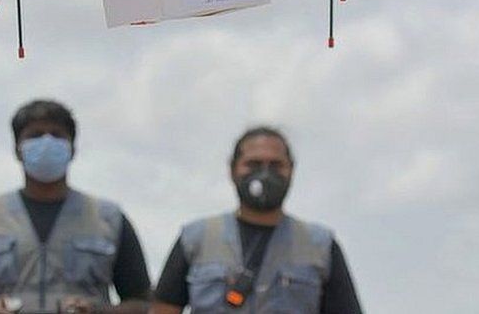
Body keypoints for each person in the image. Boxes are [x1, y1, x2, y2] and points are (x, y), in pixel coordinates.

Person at [0, 99, 152, 314]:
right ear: (18, 150)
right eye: (35, 135)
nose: (46, 141)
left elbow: (142, 303)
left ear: (72, 148)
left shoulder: (109, 219)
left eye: (57, 134)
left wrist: (98, 311)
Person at [152, 126, 363, 314]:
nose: (265, 174)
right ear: (233, 170)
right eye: (253, 164)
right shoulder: (196, 238)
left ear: (291, 170)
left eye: (276, 165)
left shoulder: (320, 246)